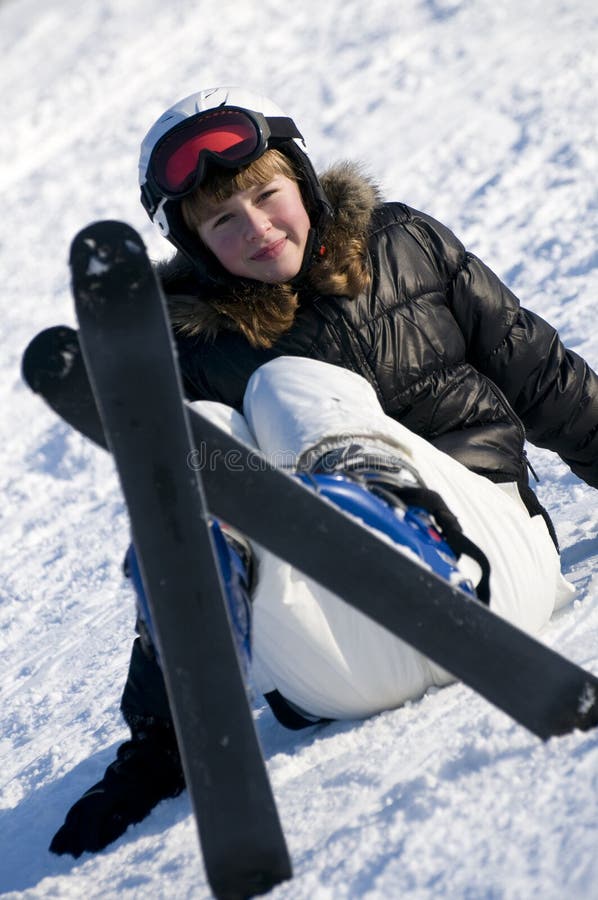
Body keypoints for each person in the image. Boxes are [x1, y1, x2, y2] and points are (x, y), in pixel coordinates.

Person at [49, 85, 598, 858]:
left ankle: (399, 529)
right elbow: (171, 534)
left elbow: (545, 381)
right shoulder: (192, 353)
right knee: (200, 439)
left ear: (302, 182)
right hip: (336, 659)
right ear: (195, 244)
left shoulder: (403, 245)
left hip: (490, 574)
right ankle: (248, 590)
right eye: (222, 221)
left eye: (267, 196)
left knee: (285, 385)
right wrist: (155, 747)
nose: (257, 229)